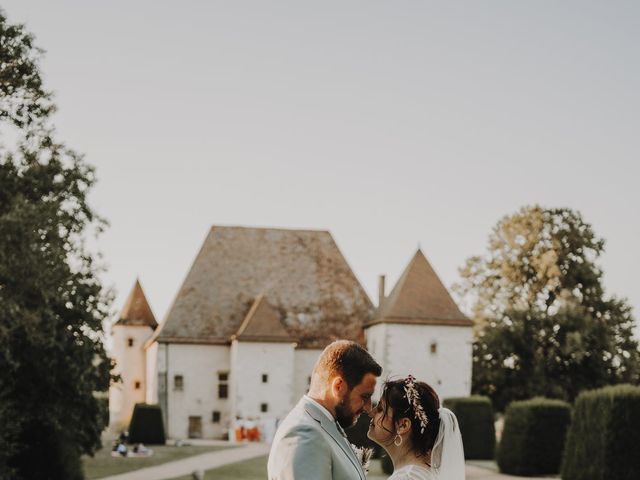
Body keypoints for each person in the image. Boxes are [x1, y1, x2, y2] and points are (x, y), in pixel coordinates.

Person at [268, 340, 382, 480]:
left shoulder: (325, 425)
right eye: (365, 396)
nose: (368, 407)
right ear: (338, 386)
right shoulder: (306, 434)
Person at [368, 376, 465, 480]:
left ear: (403, 425)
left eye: (380, 409)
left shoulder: (406, 477)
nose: (371, 413)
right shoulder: (423, 474)